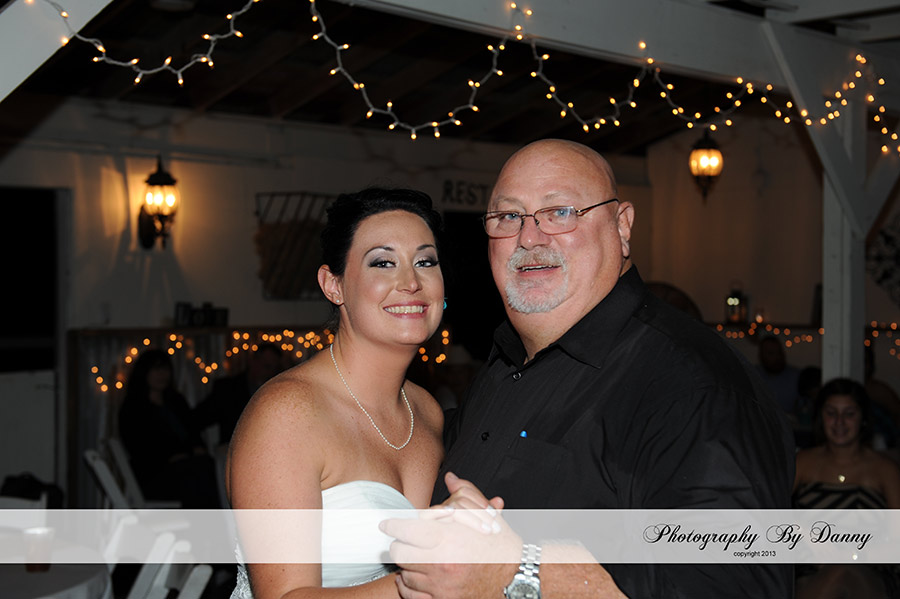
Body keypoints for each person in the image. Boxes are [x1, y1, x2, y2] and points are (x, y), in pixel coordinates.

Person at [384, 139, 795, 598]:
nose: (529, 237)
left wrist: (516, 573)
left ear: (622, 226)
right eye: (508, 217)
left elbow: (733, 588)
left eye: (560, 212)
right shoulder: (505, 365)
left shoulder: (693, 386)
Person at [226, 188, 447, 598]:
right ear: (334, 285)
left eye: (425, 261)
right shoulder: (288, 413)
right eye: (383, 262)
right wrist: (430, 580)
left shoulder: (426, 410)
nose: (411, 282)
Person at [793, 377, 900, 597]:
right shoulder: (802, 463)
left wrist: (853, 556)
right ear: (821, 417)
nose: (839, 422)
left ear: (863, 419)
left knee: (842, 572)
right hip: (810, 571)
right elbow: (767, 514)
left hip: (870, 570)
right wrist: (804, 534)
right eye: (831, 413)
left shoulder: (885, 470)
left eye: (849, 414)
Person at [118, 348, 220, 508]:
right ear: (144, 373)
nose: (162, 374)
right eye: (156, 369)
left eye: (165, 369)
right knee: (198, 475)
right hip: (155, 474)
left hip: (188, 467)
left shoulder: (176, 401)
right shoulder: (133, 408)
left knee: (207, 468)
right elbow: (139, 448)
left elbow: (192, 430)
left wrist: (196, 448)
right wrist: (171, 457)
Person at [194, 342, 284, 446]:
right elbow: (197, 419)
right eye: (266, 366)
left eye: (274, 368)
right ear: (253, 361)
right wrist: (198, 447)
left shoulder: (278, 391)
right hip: (235, 448)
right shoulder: (228, 389)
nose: (270, 372)